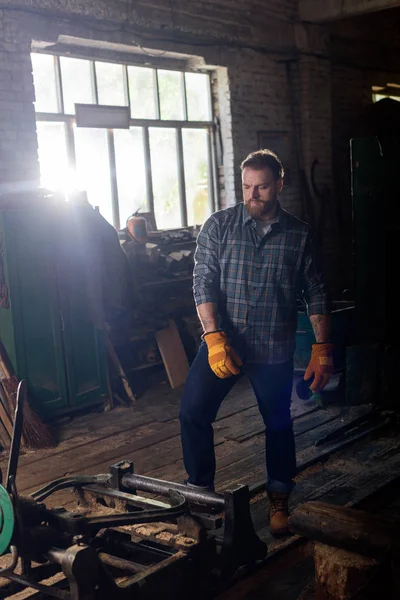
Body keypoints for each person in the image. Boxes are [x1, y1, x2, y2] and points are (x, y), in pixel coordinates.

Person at [179, 149, 333, 536]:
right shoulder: (219, 226)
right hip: (225, 344)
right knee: (192, 413)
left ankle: (280, 500)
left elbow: (316, 291)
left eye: (262, 187)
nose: (253, 195)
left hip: (273, 347)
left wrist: (322, 348)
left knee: (278, 423)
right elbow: (203, 280)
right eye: (247, 187)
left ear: (279, 185)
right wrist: (212, 336)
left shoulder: (299, 235)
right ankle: (200, 494)